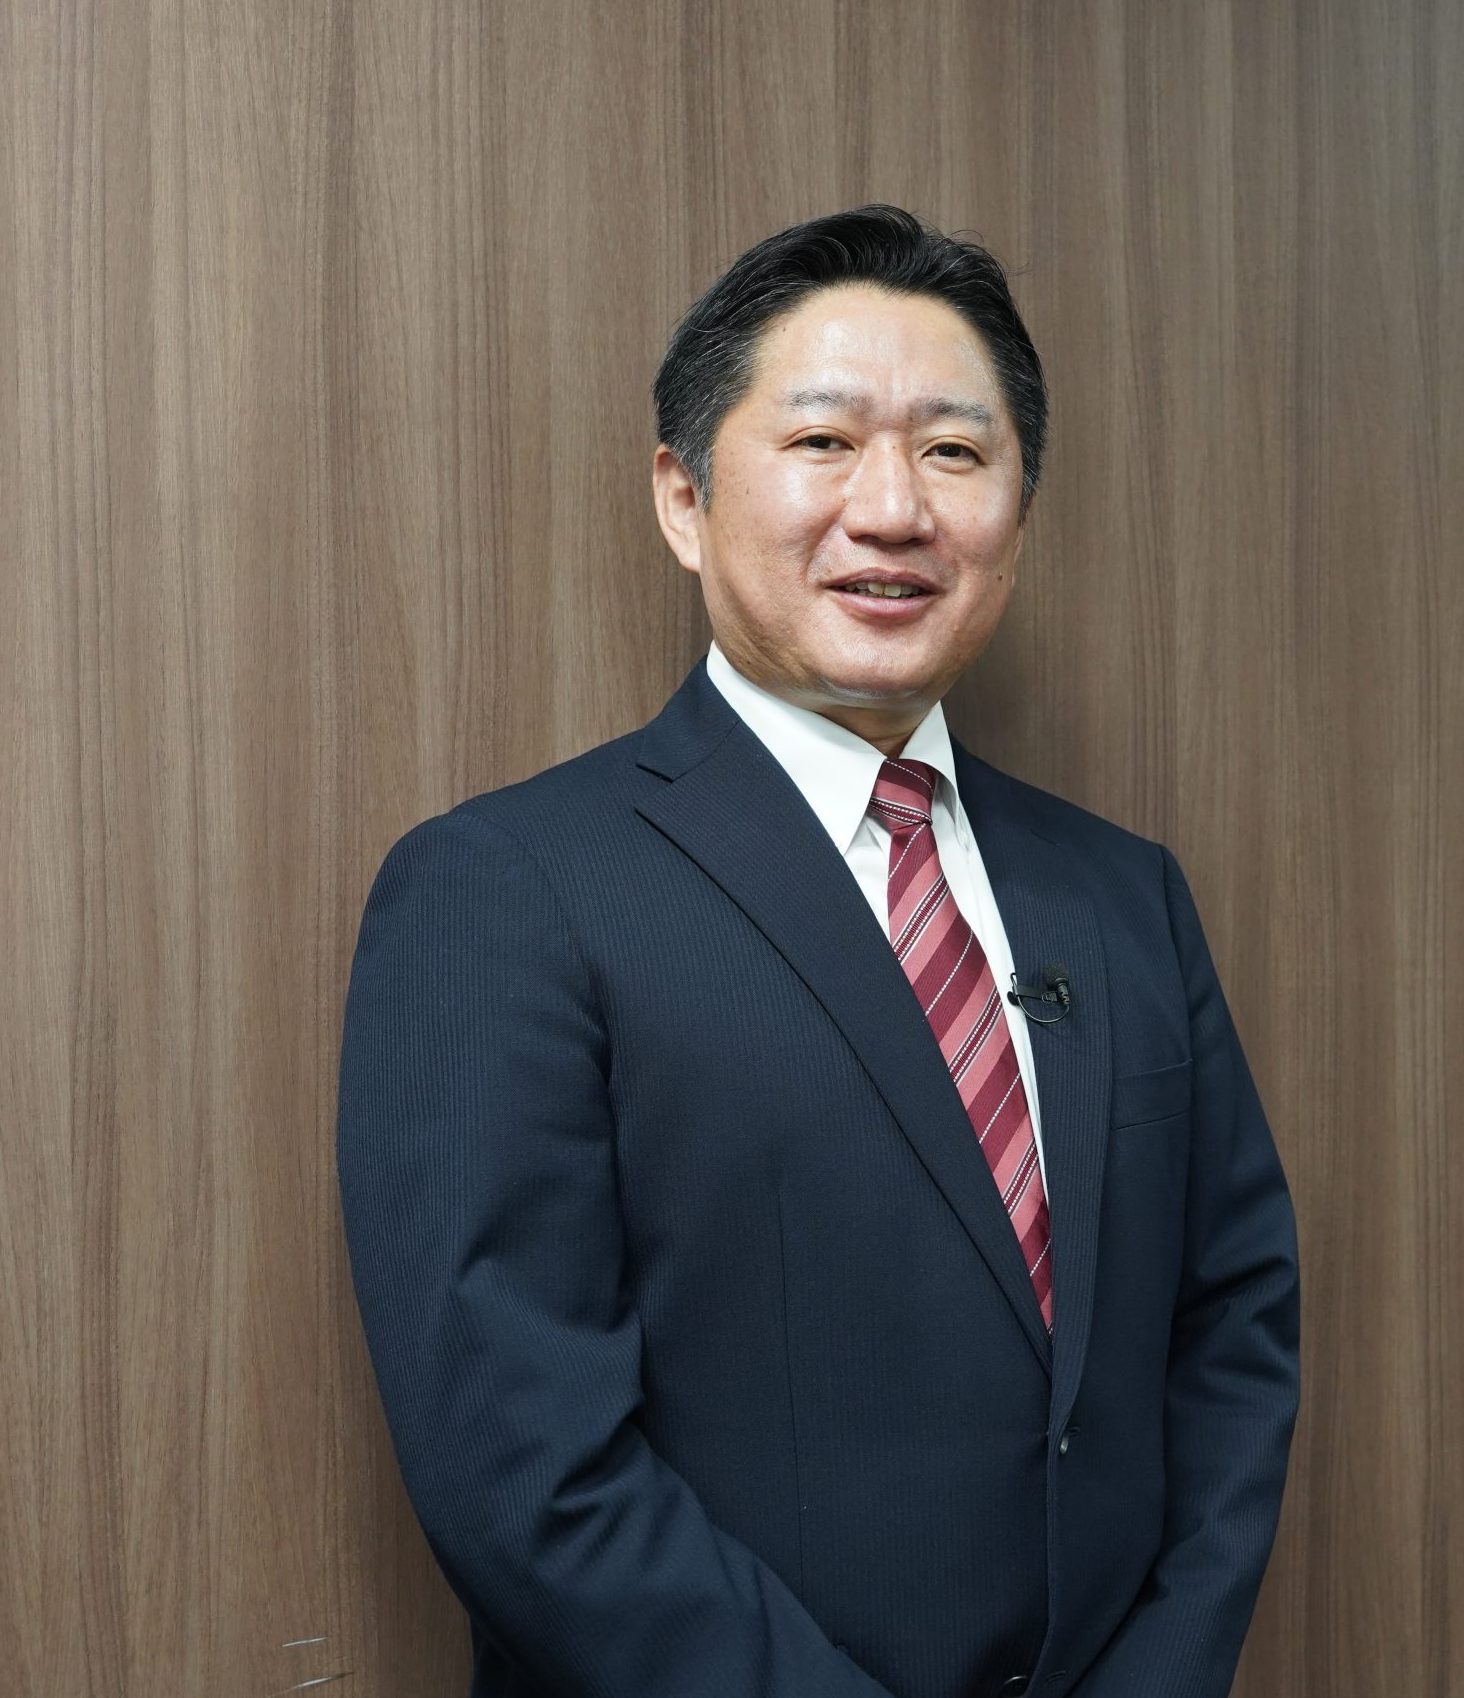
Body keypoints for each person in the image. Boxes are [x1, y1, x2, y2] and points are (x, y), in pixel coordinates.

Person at [336, 204, 1299, 1698]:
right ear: (683, 498)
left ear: (1019, 514)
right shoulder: (505, 889)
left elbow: (1232, 1325)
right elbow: (520, 1464)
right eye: (823, 441)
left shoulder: (1124, 896)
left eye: (955, 451)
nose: (894, 509)